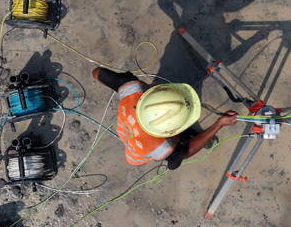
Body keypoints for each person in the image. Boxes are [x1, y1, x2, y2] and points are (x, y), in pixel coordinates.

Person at [93, 67, 239, 169]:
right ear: (167, 132)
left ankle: (187, 134)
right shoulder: (161, 146)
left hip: (127, 131)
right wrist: (218, 124)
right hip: (136, 155)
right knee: (181, 143)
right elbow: (185, 153)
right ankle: (188, 136)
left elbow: (96, 73)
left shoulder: (131, 90)